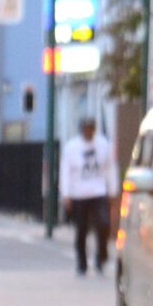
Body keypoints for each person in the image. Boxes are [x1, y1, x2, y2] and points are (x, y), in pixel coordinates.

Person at [61, 115, 117, 275]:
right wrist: (66, 194)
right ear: (81, 130)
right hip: (78, 194)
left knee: (104, 224)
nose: (88, 132)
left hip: (99, 191)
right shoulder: (72, 147)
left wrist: (112, 190)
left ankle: (101, 256)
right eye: (85, 129)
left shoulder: (103, 144)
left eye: (91, 129)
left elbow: (110, 168)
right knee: (81, 230)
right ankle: (82, 262)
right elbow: (66, 172)